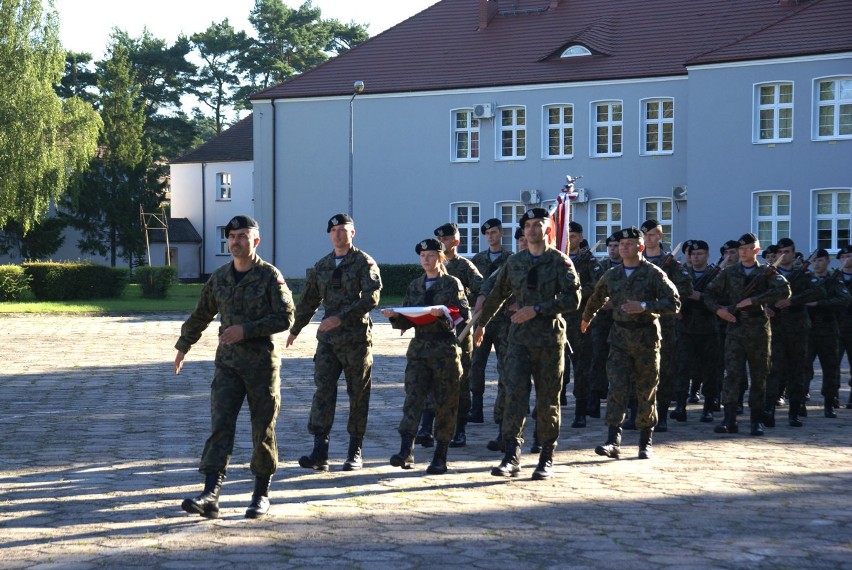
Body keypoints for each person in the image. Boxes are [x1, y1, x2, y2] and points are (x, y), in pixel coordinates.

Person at [174, 215, 295, 519]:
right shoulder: (220, 277)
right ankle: (210, 494)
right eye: (232, 236)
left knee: (262, 429)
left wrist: (246, 329)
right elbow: (201, 314)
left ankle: (260, 494)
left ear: (256, 240)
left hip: (261, 368)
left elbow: (286, 317)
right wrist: (183, 346)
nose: (237, 241)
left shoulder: (269, 276)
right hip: (227, 366)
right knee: (220, 427)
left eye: (243, 236)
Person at [474, 208, 581, 480]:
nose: (532, 230)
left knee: (547, 400)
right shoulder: (515, 262)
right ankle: (511, 455)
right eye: (528, 225)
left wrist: (538, 308)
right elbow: (497, 293)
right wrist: (482, 324)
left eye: (538, 225)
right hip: (519, 341)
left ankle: (546, 456)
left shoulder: (560, 262)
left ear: (548, 229)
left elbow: (573, 300)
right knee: (514, 396)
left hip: (548, 340)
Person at [287, 214, 382, 472]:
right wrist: (295, 329)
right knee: (323, 392)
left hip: (356, 340)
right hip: (328, 341)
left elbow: (372, 298)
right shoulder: (322, 265)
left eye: (344, 230)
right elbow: (308, 301)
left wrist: (341, 318)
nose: (338, 234)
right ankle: (320, 450)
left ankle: (355, 451)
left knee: (358, 394)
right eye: (334, 230)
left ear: (353, 233)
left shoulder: (364, 262)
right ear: (329, 235)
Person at [581, 226, 680, 460]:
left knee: (646, 390)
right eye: (621, 243)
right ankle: (612, 440)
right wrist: (586, 318)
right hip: (619, 339)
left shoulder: (653, 273)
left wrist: (645, 306)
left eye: (629, 243)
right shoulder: (612, 274)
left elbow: (673, 302)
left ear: (641, 247)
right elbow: (596, 297)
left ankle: (645, 440)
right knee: (616, 389)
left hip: (646, 338)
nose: (624, 247)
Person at [382, 239, 468, 475]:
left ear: (440, 258)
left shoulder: (452, 284)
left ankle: (440, 455)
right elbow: (407, 317)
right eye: (423, 256)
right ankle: (405, 450)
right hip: (419, 350)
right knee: (413, 399)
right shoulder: (415, 285)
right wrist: (393, 316)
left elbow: (463, 315)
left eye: (431, 255)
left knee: (445, 402)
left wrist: (441, 313)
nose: (426, 260)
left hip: (444, 350)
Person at [702, 233, 790, 436]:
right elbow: (709, 293)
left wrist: (755, 300)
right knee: (732, 374)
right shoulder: (729, 273)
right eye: (740, 249)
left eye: (747, 249)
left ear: (756, 251)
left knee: (760, 376)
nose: (743, 252)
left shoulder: (767, 273)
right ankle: (729, 418)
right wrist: (719, 311)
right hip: (735, 328)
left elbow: (785, 291)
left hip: (759, 329)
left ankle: (755, 420)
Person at [429, 222, 482, 448]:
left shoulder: (465, 267)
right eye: (439, 238)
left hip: (459, 330)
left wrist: (477, 318)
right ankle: (431, 426)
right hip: (434, 330)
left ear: (456, 241)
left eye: (446, 239)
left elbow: (483, 289)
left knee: (460, 379)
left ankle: (459, 429)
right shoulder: (431, 264)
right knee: (432, 379)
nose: (442, 242)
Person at [639, 219, 692, 432]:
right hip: (638, 323)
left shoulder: (671, 263)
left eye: (652, 235)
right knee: (638, 369)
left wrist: (664, 299)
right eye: (645, 235)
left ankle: (660, 414)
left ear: (660, 236)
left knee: (665, 369)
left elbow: (685, 289)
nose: (648, 238)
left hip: (664, 324)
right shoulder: (636, 262)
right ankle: (638, 412)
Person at [765, 238, 824, 427]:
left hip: (797, 328)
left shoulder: (804, 275)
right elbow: (754, 295)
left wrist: (793, 300)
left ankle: (794, 411)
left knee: (797, 370)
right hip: (775, 327)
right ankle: (769, 410)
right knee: (774, 370)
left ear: (793, 253)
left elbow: (818, 292)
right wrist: (765, 307)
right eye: (780, 252)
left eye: (788, 252)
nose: (784, 255)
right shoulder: (768, 275)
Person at [673, 240, 723, 423]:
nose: (696, 257)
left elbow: (722, 299)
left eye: (700, 254)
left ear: (707, 255)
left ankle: (708, 407)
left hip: (708, 326)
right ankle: (680, 406)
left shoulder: (716, 275)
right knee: (682, 368)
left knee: (710, 370)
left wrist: (700, 296)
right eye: (693, 254)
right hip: (685, 326)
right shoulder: (682, 274)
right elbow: (673, 293)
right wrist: (676, 309)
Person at [469, 218, 512, 425]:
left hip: (504, 320)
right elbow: (470, 289)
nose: (491, 236)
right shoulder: (477, 260)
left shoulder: (511, 259)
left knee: (505, 365)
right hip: (481, 321)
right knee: (476, 364)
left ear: (501, 233)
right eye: (487, 234)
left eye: (494, 232)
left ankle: (502, 409)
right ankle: (476, 408)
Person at [805, 249, 851, 418]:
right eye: (815, 261)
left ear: (828, 261)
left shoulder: (835, 280)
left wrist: (818, 303)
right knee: (804, 367)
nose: (817, 264)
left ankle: (829, 402)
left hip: (829, 329)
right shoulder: (805, 280)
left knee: (830, 368)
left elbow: (844, 300)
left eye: (821, 260)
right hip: (808, 330)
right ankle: (800, 400)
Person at [564, 222, 600, 429]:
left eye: (574, 236)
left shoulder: (588, 260)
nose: (570, 239)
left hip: (580, 320)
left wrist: (576, 293)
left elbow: (597, 285)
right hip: (558, 318)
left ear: (580, 237)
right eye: (567, 236)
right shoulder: (557, 260)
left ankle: (580, 410)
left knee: (582, 367)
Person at [587, 234, 622, 420]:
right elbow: (596, 288)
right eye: (611, 246)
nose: (614, 249)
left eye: (617, 245)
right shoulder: (602, 267)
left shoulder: (630, 268)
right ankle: (594, 398)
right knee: (598, 359)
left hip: (623, 321)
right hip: (602, 321)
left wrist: (614, 303)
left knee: (621, 363)